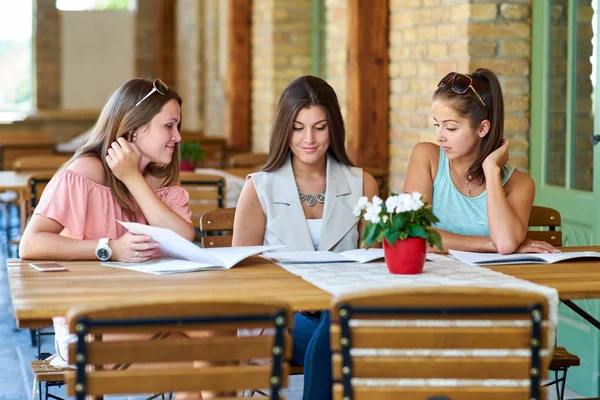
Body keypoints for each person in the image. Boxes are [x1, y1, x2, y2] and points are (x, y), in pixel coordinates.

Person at [19, 78, 199, 398]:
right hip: (90, 322)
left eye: (178, 126)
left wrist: (132, 178)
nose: (178, 136)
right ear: (133, 129)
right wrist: (109, 249)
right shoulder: (85, 172)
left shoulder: (160, 179)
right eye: (169, 126)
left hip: (153, 312)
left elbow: (184, 238)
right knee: (200, 354)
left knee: (211, 345)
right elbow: (31, 244)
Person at [232, 75, 379, 400]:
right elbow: (242, 273)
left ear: (334, 128)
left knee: (336, 325)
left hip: (341, 311)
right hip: (279, 317)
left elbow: (372, 266)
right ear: (285, 128)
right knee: (337, 336)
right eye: (298, 127)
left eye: (319, 127)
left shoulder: (362, 184)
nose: (308, 138)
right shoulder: (259, 187)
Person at [403, 68, 557, 254]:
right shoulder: (427, 158)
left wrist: (491, 170)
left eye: (450, 128)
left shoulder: (520, 185)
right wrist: (489, 244)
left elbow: (506, 243)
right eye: (438, 125)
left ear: (482, 128)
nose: (440, 137)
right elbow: (411, 233)